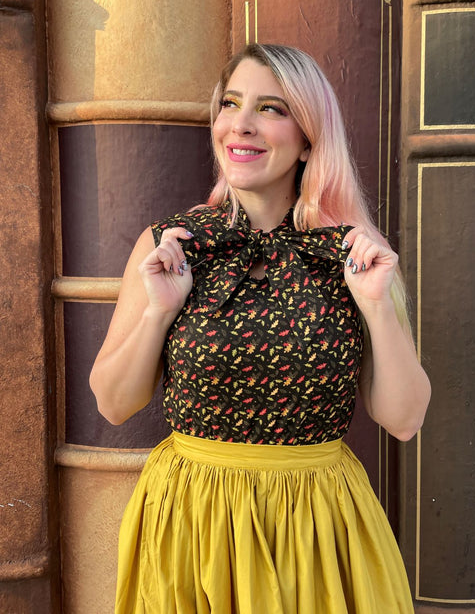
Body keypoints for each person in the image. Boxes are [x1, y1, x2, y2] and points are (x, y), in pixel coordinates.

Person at [90, 43, 431, 614]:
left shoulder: (353, 255)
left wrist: (374, 306)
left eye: (271, 108)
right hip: (193, 525)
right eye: (230, 104)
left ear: (309, 138)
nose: (240, 125)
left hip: (316, 530)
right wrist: (159, 311)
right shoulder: (170, 247)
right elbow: (113, 404)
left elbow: (403, 419)